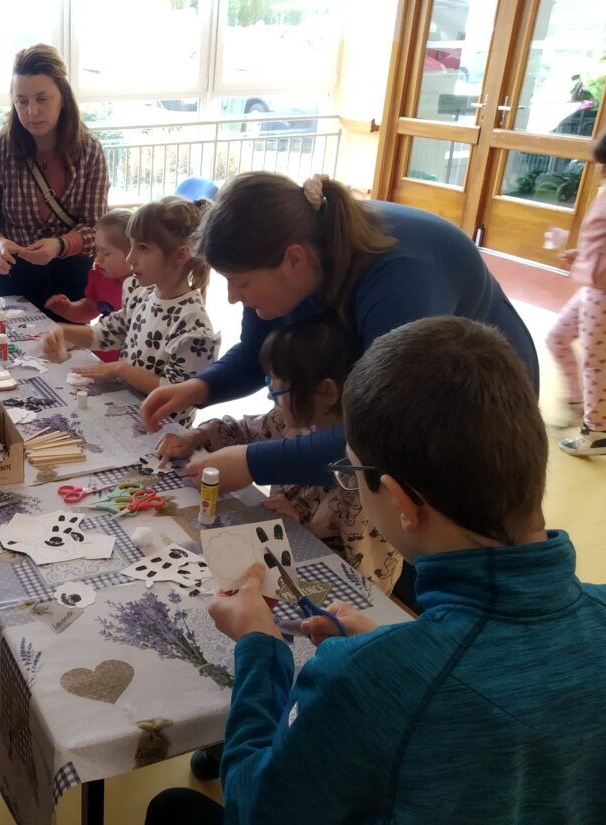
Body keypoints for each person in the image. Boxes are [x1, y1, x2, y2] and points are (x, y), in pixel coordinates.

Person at [145, 316, 606, 825]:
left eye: (351, 471)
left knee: (171, 808)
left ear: (402, 502)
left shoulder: (366, 676)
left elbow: (254, 805)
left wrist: (259, 647)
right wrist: (386, 645)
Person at [140, 172, 539, 495]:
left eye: (240, 282)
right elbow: (256, 351)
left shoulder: (400, 283)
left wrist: (252, 463)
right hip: (402, 407)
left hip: (480, 405)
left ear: (293, 260)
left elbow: (382, 435)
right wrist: (199, 387)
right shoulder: (289, 257)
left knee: (437, 513)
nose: (231, 297)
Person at [157, 314, 399, 595]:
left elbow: (362, 571)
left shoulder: (361, 471)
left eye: (277, 387)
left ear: (325, 392)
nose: (269, 396)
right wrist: (195, 436)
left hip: (337, 593)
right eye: (268, 382)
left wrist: (301, 528)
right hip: (279, 550)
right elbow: (243, 430)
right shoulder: (295, 419)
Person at [42, 196, 220, 427]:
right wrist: (62, 330)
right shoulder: (139, 294)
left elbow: (181, 393)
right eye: (132, 245)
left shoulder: (194, 325)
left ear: (180, 255)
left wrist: (122, 369)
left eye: (142, 248)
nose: (130, 258)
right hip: (126, 414)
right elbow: (106, 334)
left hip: (162, 432)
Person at [0, 44, 109, 318]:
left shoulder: (89, 151)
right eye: (22, 101)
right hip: (13, 277)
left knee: (69, 344)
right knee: (11, 344)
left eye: (42, 99)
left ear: (63, 97)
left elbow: (96, 226)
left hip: (71, 280)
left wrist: (60, 245)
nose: (32, 111)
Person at [546, 129, 606, 456]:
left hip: (602, 291)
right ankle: (577, 400)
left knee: (595, 362)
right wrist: (582, 255)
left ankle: (596, 430)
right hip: (591, 286)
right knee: (557, 337)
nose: (601, 170)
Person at [45, 208, 137, 362]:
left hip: (127, 367)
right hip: (99, 361)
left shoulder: (144, 290)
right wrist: (68, 308)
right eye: (97, 250)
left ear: (133, 253)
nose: (98, 259)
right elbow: (90, 308)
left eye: (106, 253)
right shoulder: (101, 276)